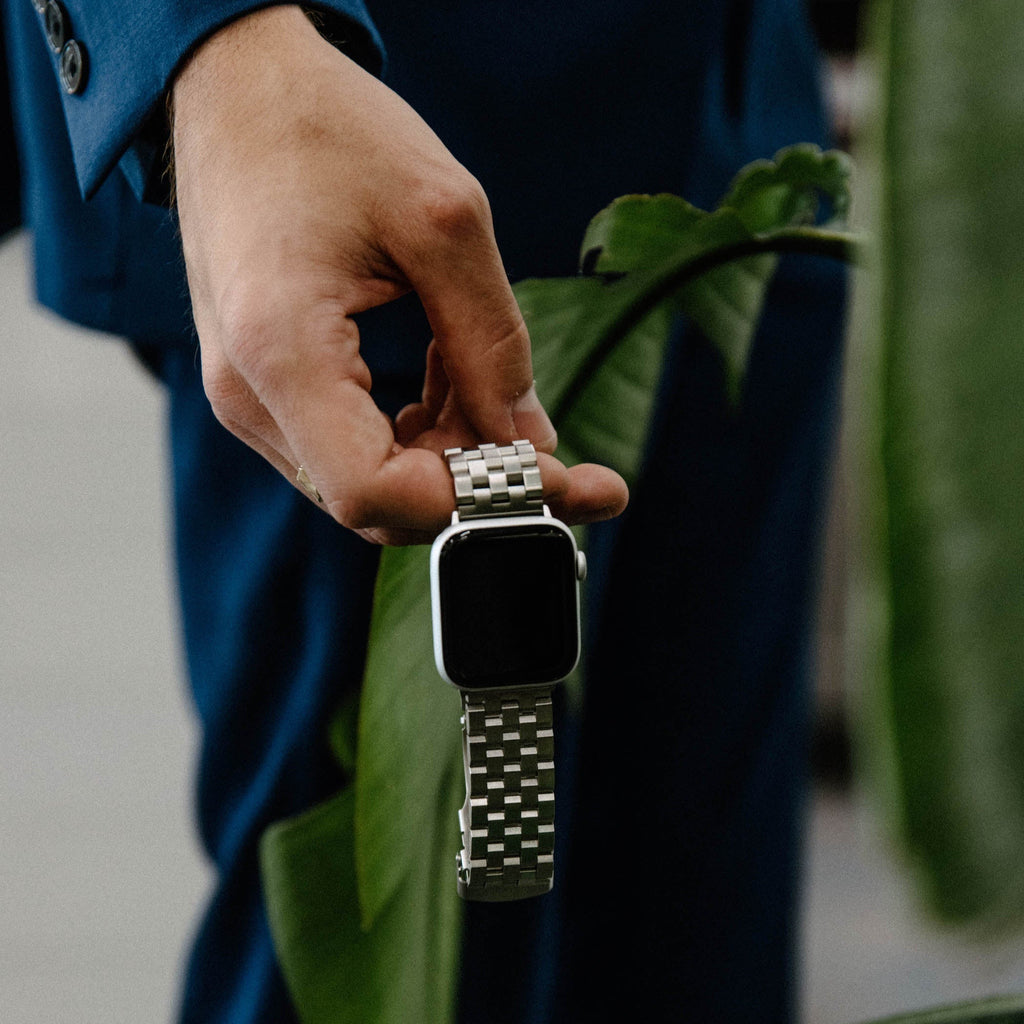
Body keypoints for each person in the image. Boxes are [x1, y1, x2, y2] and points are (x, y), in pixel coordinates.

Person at [1, 1, 845, 1021]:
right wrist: (210, 42)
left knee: (694, 944)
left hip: (742, 138)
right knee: (379, 971)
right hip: (363, 165)